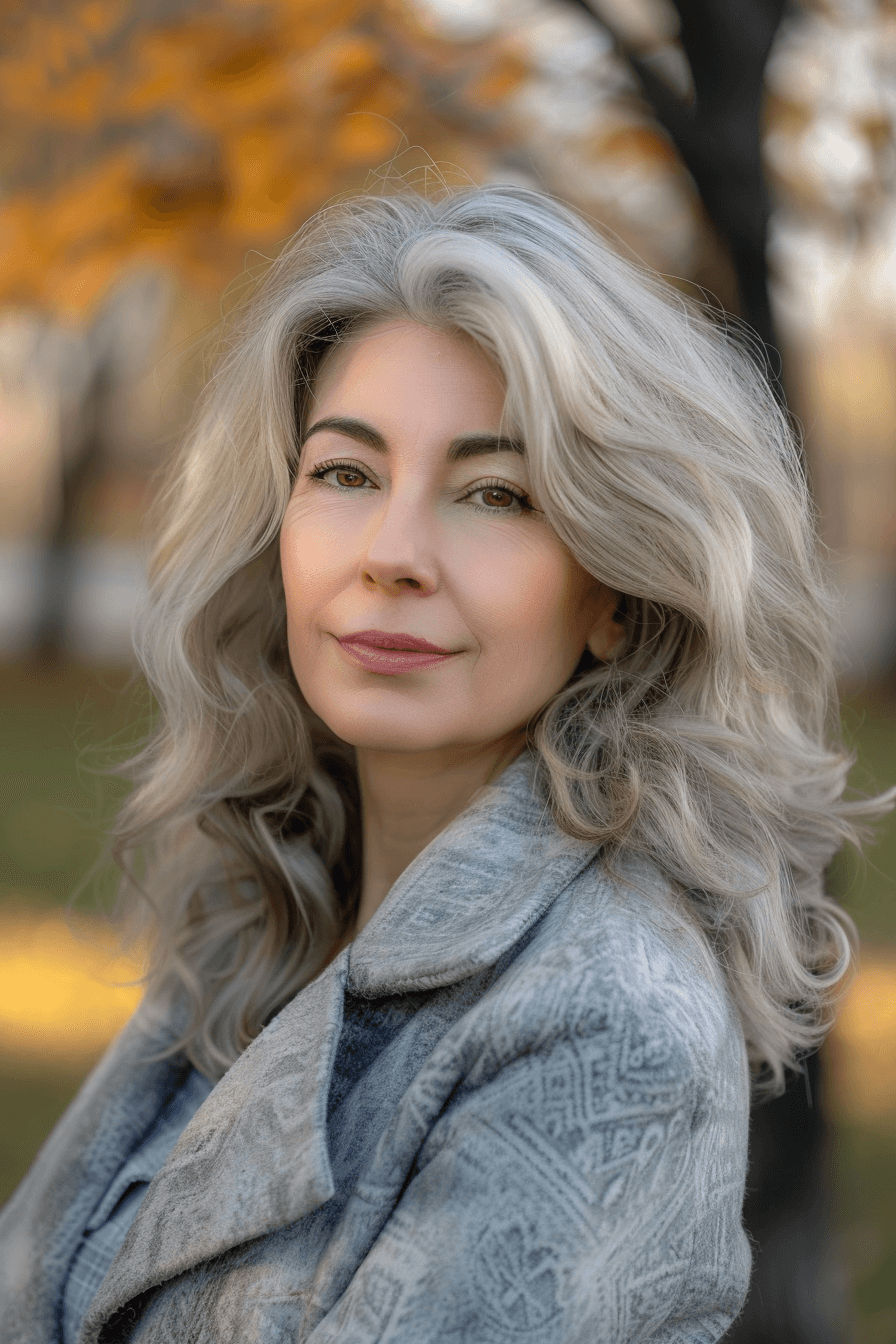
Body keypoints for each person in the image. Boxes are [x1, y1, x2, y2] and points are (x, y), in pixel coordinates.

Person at [1, 181, 892, 1344]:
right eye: (346, 473)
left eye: (494, 493)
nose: (393, 555)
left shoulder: (607, 1023)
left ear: (615, 596)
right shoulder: (264, 916)